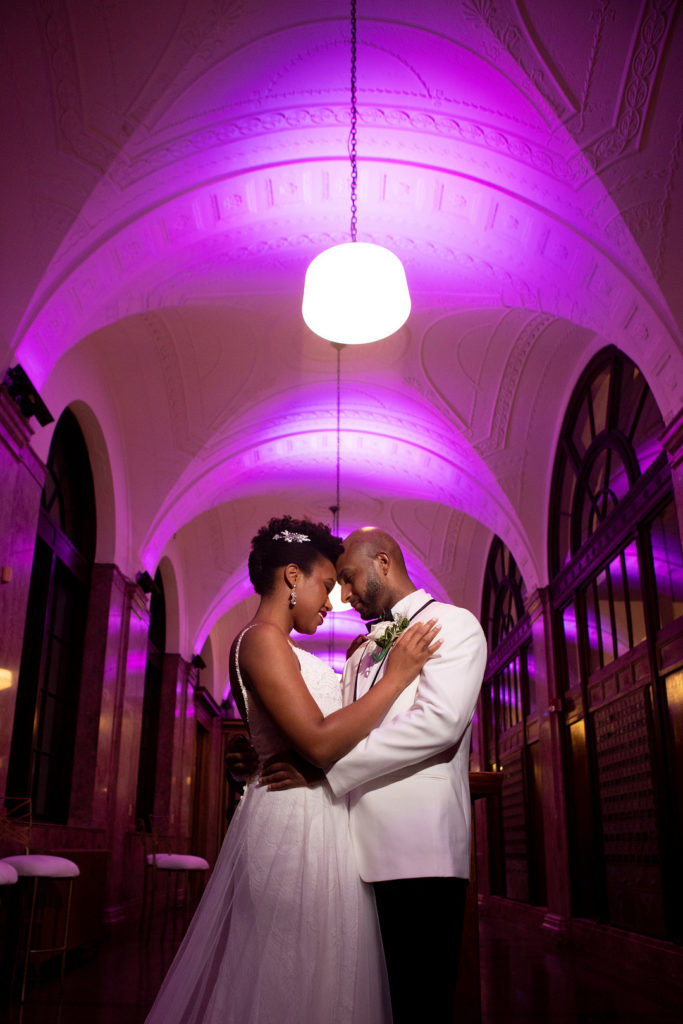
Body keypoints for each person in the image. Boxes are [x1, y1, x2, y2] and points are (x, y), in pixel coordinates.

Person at [144, 516, 441, 1024]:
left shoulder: (287, 649)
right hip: (292, 829)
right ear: (291, 577)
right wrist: (394, 679)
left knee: (324, 977)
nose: (334, 601)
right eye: (326, 586)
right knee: (286, 978)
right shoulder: (261, 641)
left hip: (321, 821)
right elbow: (321, 742)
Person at [261, 527, 487, 1024]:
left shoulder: (454, 623)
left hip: (418, 855)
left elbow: (439, 725)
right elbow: (336, 727)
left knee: (420, 1005)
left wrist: (326, 769)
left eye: (347, 578)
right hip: (347, 859)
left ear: (382, 562)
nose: (343, 595)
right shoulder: (361, 651)